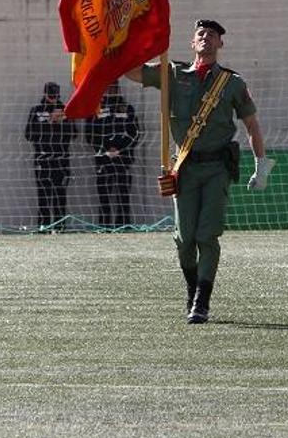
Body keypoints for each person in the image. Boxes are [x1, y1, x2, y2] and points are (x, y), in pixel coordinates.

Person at [126, 19, 273, 323]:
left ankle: (202, 301)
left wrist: (261, 165)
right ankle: (192, 288)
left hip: (217, 167)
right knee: (184, 238)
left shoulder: (232, 83)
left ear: (221, 44)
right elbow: (133, 72)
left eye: (213, 35)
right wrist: (130, 43)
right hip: (184, 167)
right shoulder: (172, 73)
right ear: (192, 43)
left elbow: (252, 125)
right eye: (201, 34)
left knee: (207, 235)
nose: (206, 37)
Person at [84, 82, 141, 228]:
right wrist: (105, 150)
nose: (111, 90)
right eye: (108, 88)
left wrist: (120, 149)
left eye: (114, 88)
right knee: (104, 194)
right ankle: (105, 226)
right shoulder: (96, 108)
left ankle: (124, 225)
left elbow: (135, 133)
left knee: (123, 194)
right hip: (103, 158)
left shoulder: (127, 108)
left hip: (123, 157)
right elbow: (89, 134)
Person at [24, 81, 76, 231]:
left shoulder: (66, 110)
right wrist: (48, 122)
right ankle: (44, 226)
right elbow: (29, 134)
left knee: (60, 195)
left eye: (55, 96)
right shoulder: (37, 110)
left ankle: (60, 227)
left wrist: (60, 122)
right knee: (43, 195)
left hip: (61, 159)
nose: (53, 98)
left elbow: (73, 134)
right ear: (45, 94)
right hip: (43, 159)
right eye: (51, 95)